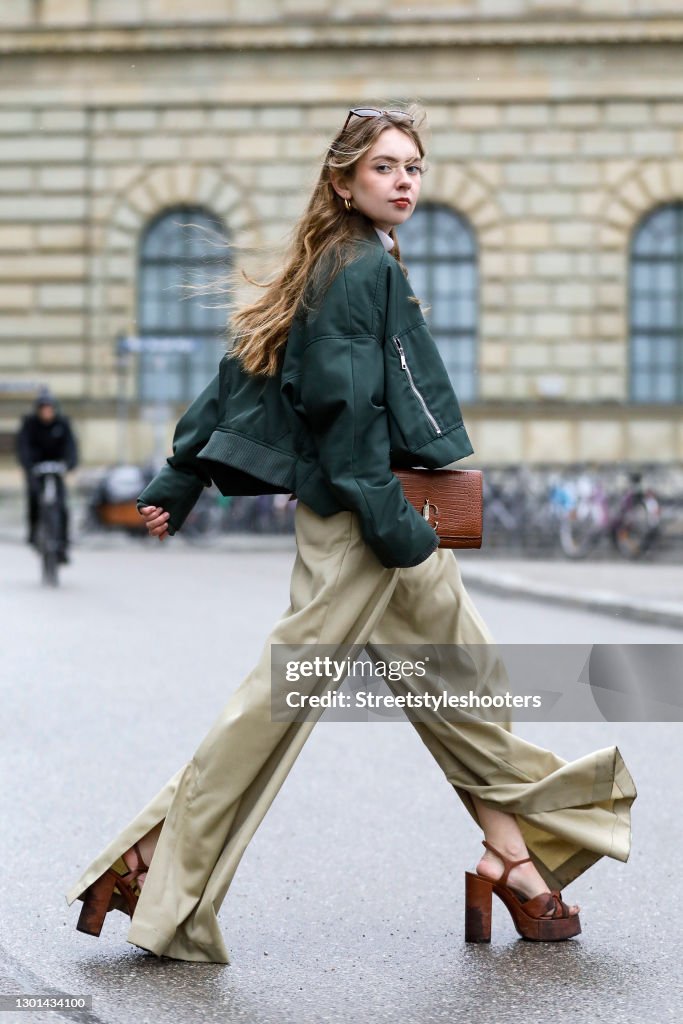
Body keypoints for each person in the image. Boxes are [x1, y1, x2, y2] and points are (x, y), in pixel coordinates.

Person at [65, 105, 636, 963]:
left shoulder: (344, 261)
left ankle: (510, 856)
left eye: (414, 167)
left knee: (464, 687)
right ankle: (151, 859)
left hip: (389, 513)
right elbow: (341, 412)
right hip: (365, 520)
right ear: (343, 180)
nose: (404, 181)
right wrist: (394, 528)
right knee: (278, 702)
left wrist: (180, 474)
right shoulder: (354, 268)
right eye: (385, 167)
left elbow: (243, 367)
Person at [16, 387, 78, 564]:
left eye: (49, 408)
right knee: (34, 500)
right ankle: (33, 534)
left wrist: (69, 464)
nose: (47, 412)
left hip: (56, 469)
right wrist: (28, 466)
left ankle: (63, 544)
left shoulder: (62, 423)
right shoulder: (30, 424)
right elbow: (23, 447)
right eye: (43, 409)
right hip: (36, 470)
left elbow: (71, 447)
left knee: (62, 506)